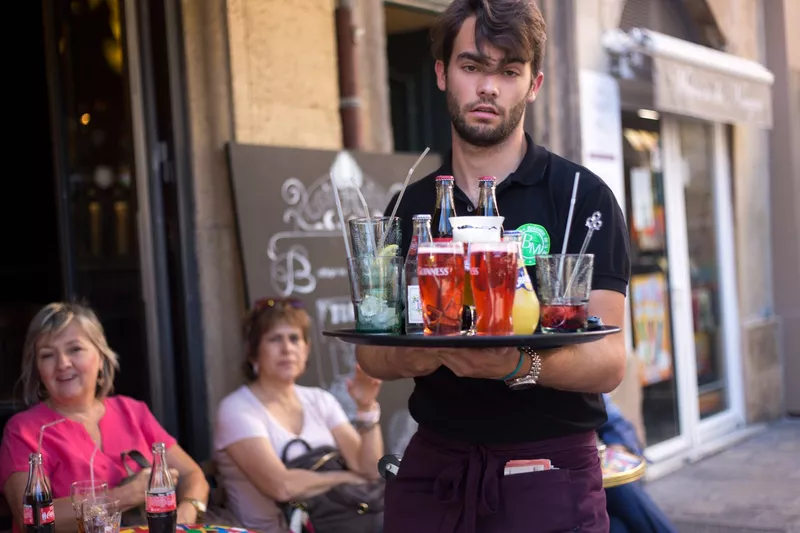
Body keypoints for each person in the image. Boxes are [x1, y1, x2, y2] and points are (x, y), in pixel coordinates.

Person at [355, 1, 631, 531]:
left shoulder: (582, 198)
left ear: (533, 83)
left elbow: (610, 361)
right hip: (435, 469)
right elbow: (371, 349)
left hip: (547, 469)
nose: (489, 88)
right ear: (441, 73)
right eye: (472, 66)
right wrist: (412, 358)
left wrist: (516, 365)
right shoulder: (408, 207)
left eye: (508, 71)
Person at [0, 302, 209, 532]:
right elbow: (31, 517)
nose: (62, 364)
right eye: (48, 355)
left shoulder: (132, 411)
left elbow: (193, 474)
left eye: (75, 349)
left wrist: (185, 514)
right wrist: (126, 495)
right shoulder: (24, 430)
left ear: (101, 358)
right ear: (38, 369)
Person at [213, 297, 384, 533]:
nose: (287, 349)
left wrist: (366, 408)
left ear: (306, 349)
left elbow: (369, 470)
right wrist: (343, 478)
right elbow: (281, 486)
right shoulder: (236, 409)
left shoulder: (319, 400)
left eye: (294, 338)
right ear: (253, 353)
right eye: (274, 339)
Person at [598, 395, 678, 533]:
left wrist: (619, 446)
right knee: (622, 493)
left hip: (598, 483)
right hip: (562, 487)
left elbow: (616, 423)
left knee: (617, 525)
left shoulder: (582, 383)